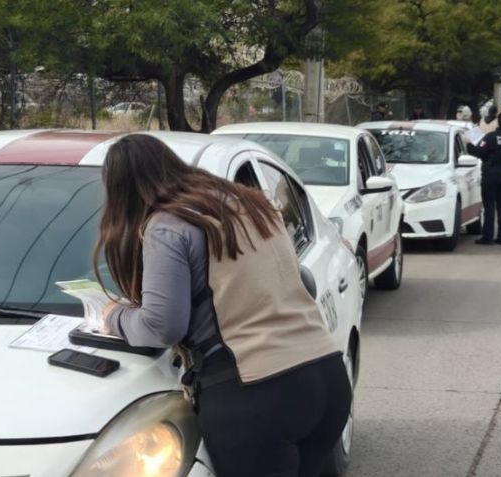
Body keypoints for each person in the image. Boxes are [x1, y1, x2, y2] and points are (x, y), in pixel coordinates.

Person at [95, 134, 351, 477]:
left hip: (257, 395)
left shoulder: (166, 226)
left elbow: (162, 326)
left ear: (121, 191)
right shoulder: (252, 205)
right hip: (326, 378)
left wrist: (115, 316)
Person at [467, 112, 501, 245]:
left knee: (489, 206)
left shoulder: (491, 137)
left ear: (499, 122)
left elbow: (478, 152)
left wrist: (469, 144)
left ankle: (487, 236)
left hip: (491, 173)